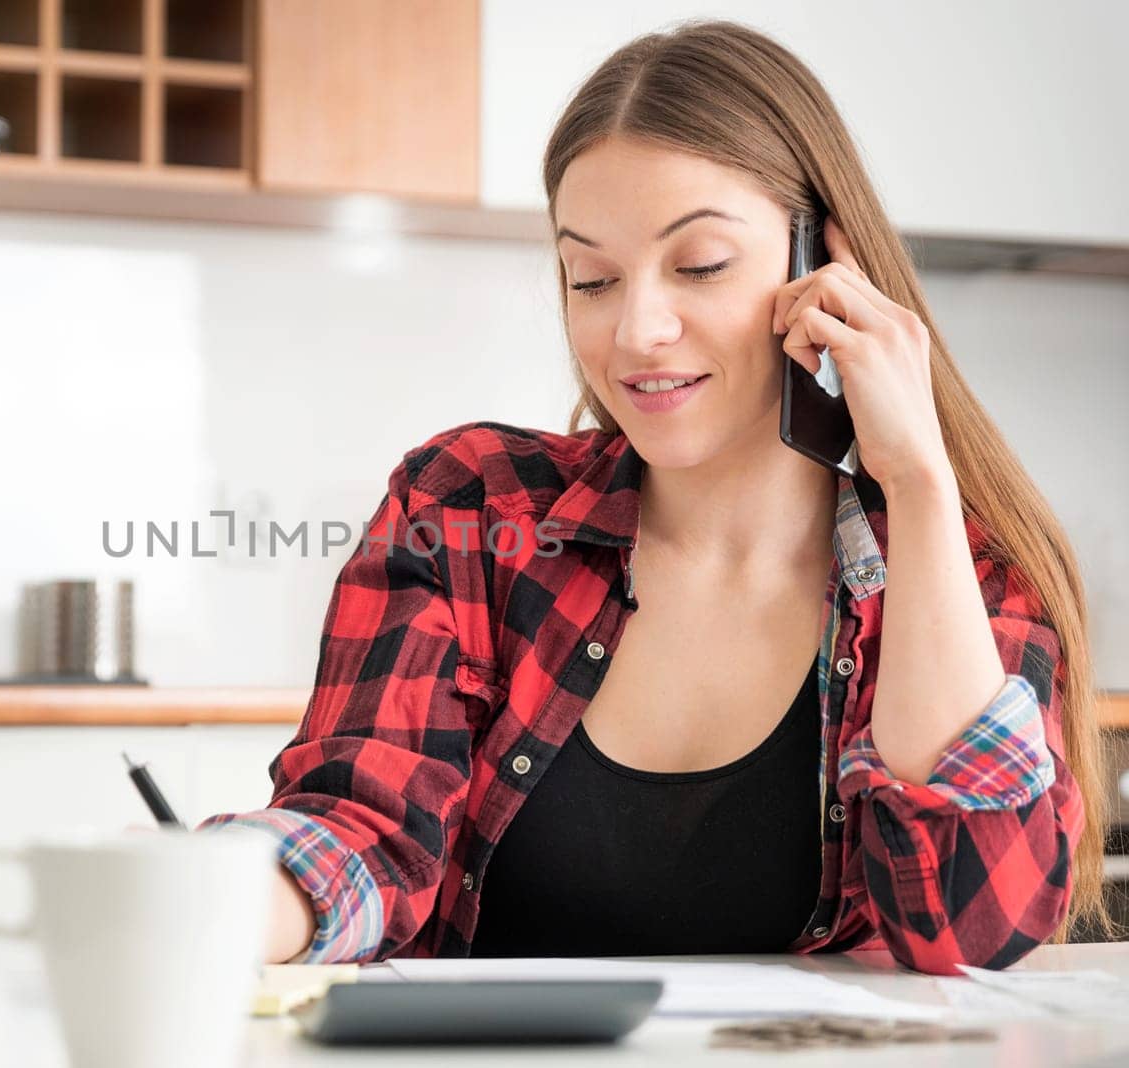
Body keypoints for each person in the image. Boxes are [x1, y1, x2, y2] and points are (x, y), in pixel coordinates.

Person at [197, 18, 1110, 975]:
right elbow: (358, 828)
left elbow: (968, 926)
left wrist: (919, 482)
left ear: (826, 265)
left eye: (700, 265)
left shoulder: (965, 577)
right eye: (591, 278)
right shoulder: (469, 508)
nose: (637, 329)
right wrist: (205, 899)